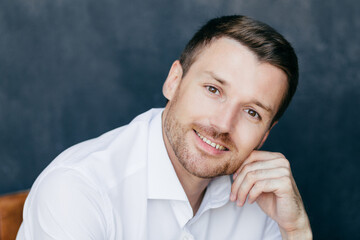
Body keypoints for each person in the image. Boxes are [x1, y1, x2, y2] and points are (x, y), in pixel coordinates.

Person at [17, 15, 312, 239]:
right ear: (174, 81)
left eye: (251, 112)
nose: (223, 124)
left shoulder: (264, 201)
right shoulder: (79, 189)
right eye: (213, 89)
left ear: (266, 134)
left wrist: (296, 230)